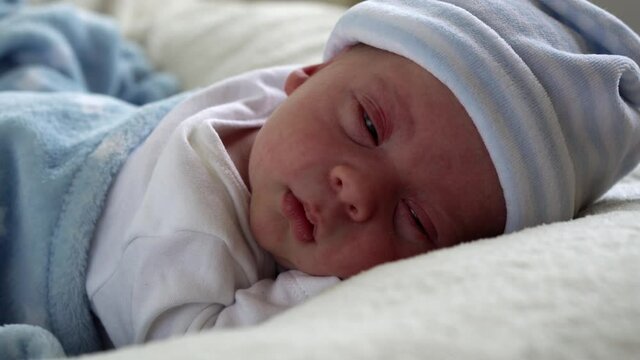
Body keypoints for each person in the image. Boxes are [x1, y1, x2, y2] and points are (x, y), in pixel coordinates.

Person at [1, 0, 639, 356]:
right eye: (367, 125)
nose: (358, 191)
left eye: (417, 221)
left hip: (46, 185)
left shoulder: (191, 263)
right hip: (53, 154)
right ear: (306, 76)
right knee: (65, 46)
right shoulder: (199, 225)